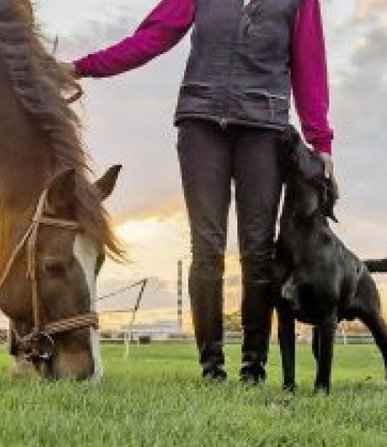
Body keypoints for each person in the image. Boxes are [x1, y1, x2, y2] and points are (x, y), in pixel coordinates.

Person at [68, 0, 336, 383]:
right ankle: (212, 367)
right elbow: (151, 37)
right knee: (206, 249)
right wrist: (80, 68)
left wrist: (320, 141)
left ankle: (253, 367)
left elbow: (310, 65)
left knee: (258, 251)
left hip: (264, 129)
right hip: (201, 126)